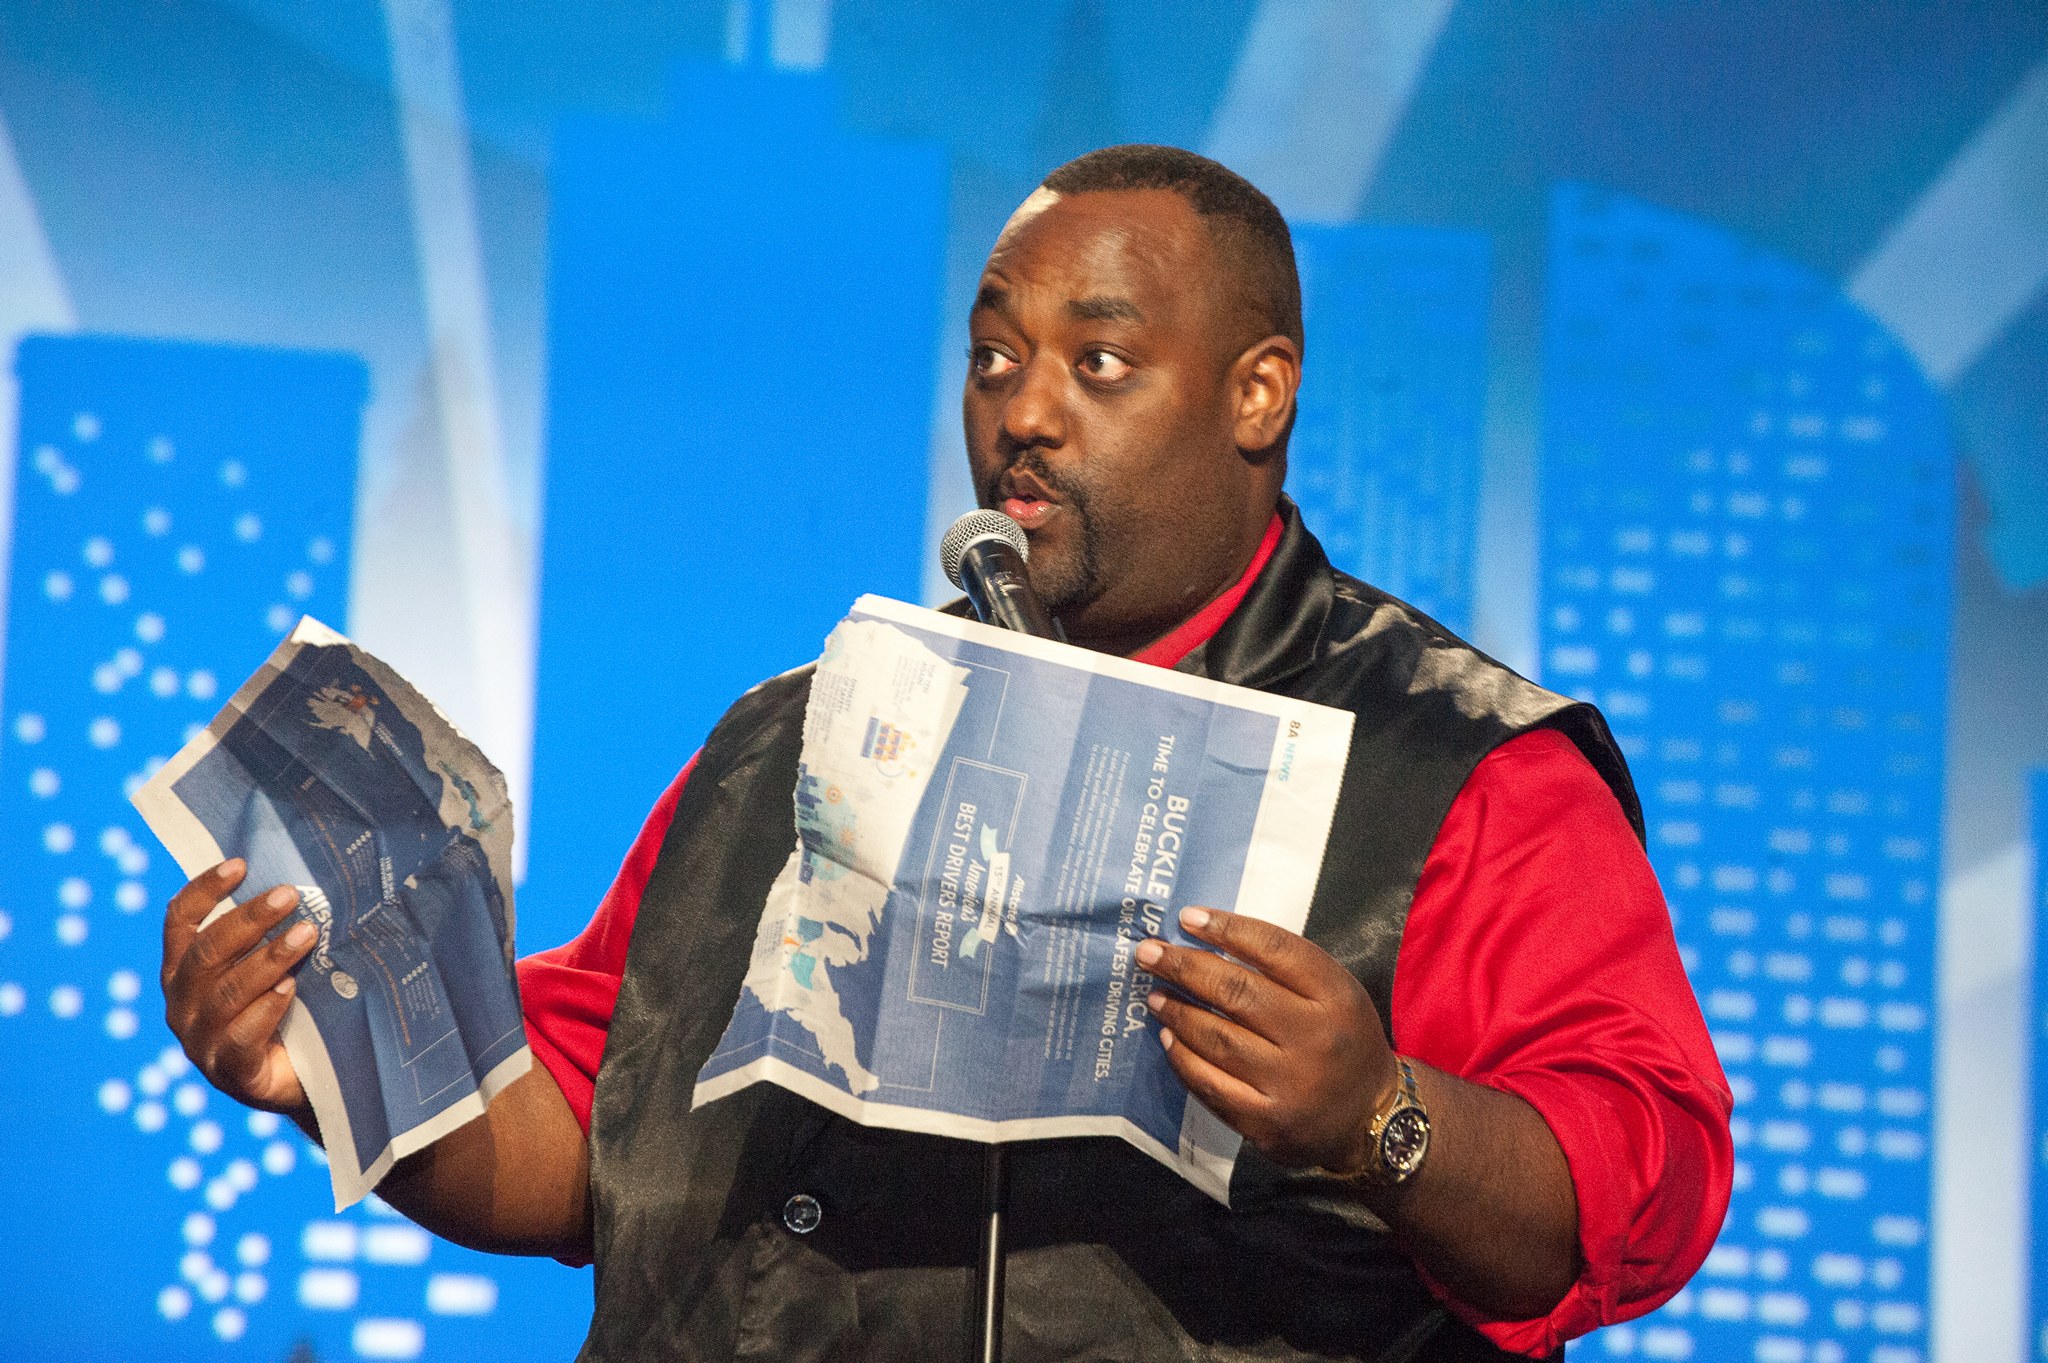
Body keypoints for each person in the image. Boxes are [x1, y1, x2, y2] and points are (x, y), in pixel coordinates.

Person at [161, 145, 1732, 1362]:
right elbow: (586, 1142)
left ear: (1259, 394)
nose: (1022, 413)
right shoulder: (792, 737)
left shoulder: (1461, 766)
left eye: (1097, 364)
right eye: (993, 359)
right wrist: (334, 1062)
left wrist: (1381, 1114)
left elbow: (1640, 1181)